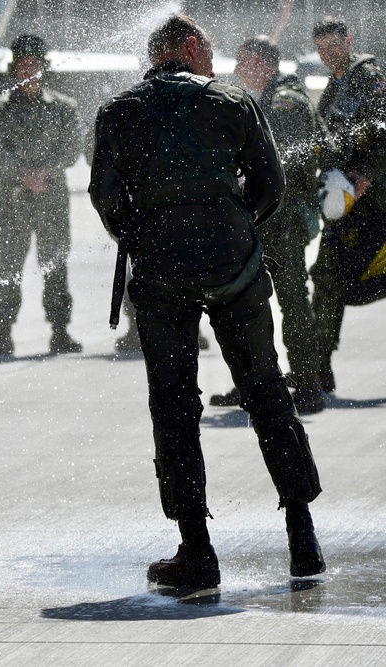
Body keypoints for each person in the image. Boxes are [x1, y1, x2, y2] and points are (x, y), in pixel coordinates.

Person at [89, 14, 324, 588]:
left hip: (162, 273)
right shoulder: (233, 101)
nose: (215, 60)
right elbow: (271, 185)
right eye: (210, 49)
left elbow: (105, 198)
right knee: (267, 392)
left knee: (173, 407)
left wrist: (142, 237)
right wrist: (236, 230)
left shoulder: (119, 111)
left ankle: (197, 550)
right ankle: (302, 538)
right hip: (235, 269)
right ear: (190, 47)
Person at [209, 35, 326, 413]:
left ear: (264, 64)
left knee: (292, 299)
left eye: (246, 61)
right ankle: (251, 382)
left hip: (282, 218)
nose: (239, 68)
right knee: (244, 303)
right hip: (255, 217)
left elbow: (284, 159)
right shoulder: (253, 97)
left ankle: (308, 381)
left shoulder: (285, 101)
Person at [0, 34, 81, 357]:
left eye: (35, 64)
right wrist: (23, 174)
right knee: (8, 267)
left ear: (44, 67)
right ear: (14, 69)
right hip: (12, 201)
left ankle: (60, 330)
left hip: (51, 201)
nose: (29, 70)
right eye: (23, 65)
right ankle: (2, 334)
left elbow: (71, 151)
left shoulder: (65, 108)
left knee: (54, 265)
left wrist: (45, 172)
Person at [309, 16, 386, 393]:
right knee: (326, 276)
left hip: (375, 203)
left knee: (361, 276)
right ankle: (318, 365)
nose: (328, 54)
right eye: (321, 48)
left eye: (334, 45)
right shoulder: (333, 86)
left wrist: (366, 176)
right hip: (345, 203)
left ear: (348, 40)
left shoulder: (368, 76)